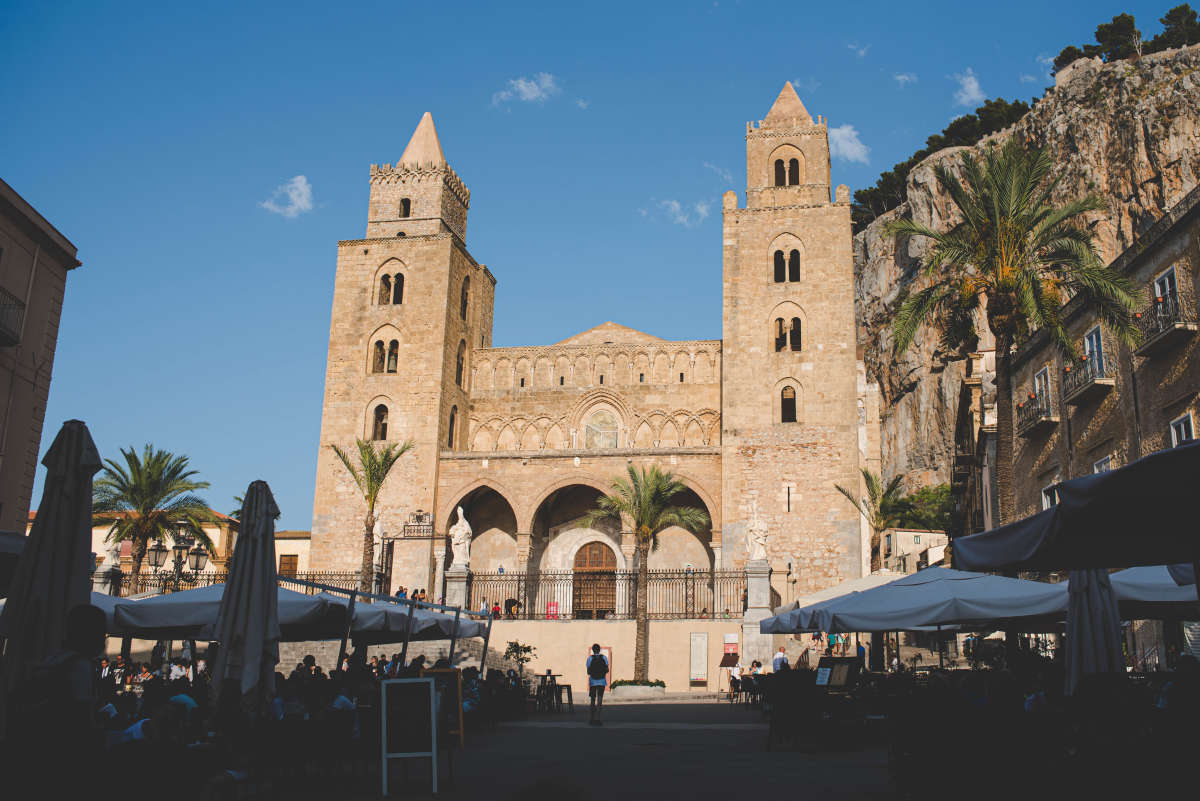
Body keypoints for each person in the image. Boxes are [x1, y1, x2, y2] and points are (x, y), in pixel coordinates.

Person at [586, 644, 609, 726]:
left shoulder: (590, 658)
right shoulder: (604, 658)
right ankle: (598, 719)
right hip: (602, 682)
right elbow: (607, 669)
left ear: (592, 650)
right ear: (599, 650)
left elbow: (588, 671)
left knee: (592, 700)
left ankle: (591, 719)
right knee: (599, 701)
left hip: (593, 682)